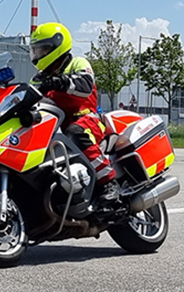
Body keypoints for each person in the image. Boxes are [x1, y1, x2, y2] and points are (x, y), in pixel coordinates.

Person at [30, 22, 119, 202]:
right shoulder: (38, 78)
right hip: (53, 128)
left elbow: (85, 85)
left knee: (76, 133)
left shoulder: (77, 63)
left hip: (86, 120)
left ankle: (109, 182)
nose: (38, 54)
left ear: (56, 47)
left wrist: (61, 82)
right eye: (36, 50)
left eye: (42, 49)